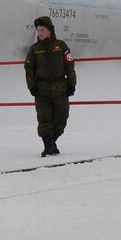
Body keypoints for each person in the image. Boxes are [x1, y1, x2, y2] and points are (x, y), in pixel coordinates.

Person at [24, 16, 75, 157]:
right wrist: (32, 86)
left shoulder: (61, 46)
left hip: (60, 89)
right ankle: (48, 147)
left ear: (50, 30)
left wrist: (72, 84)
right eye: (38, 30)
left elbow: (69, 66)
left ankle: (52, 143)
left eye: (42, 30)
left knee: (61, 118)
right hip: (42, 90)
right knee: (44, 119)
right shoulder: (34, 50)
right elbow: (29, 69)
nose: (40, 33)